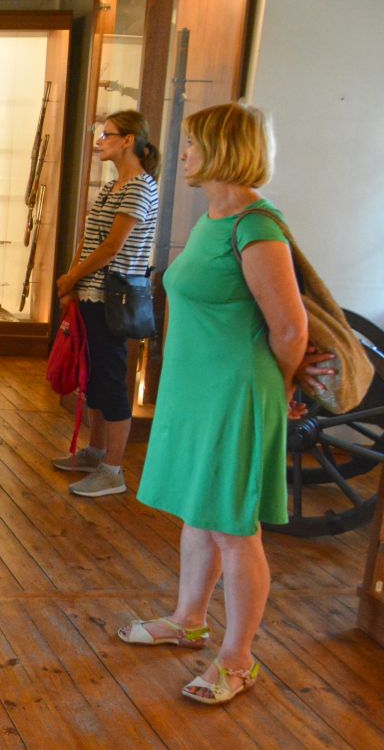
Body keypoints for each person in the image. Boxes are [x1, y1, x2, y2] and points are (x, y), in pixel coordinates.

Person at [120, 103, 307, 705]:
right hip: (197, 391)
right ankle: (187, 620)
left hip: (236, 395)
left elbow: (290, 330)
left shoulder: (257, 226)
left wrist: (276, 391)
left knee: (233, 527)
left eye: (194, 143)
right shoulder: (213, 219)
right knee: (199, 512)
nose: (182, 153)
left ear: (224, 150)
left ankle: (239, 659)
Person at [52, 111, 161, 497]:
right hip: (93, 294)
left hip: (113, 297)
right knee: (94, 377)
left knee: (111, 381)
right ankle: (96, 451)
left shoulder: (139, 187)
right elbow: (89, 240)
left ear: (128, 140)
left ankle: (113, 470)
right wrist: (72, 280)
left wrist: (72, 278)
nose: (100, 141)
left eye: (107, 135)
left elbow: (113, 247)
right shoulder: (115, 185)